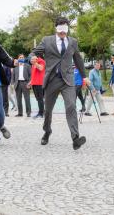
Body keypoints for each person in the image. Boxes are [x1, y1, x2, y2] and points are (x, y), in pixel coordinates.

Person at [29, 16, 89, 150]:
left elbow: (78, 59)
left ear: (67, 29)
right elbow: (34, 52)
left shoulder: (73, 42)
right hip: (52, 80)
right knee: (48, 110)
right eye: (60, 29)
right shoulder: (46, 40)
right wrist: (32, 57)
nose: (63, 32)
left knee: (71, 106)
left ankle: (75, 138)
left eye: (65, 29)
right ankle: (47, 131)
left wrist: (84, 77)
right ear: (56, 28)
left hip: (68, 80)